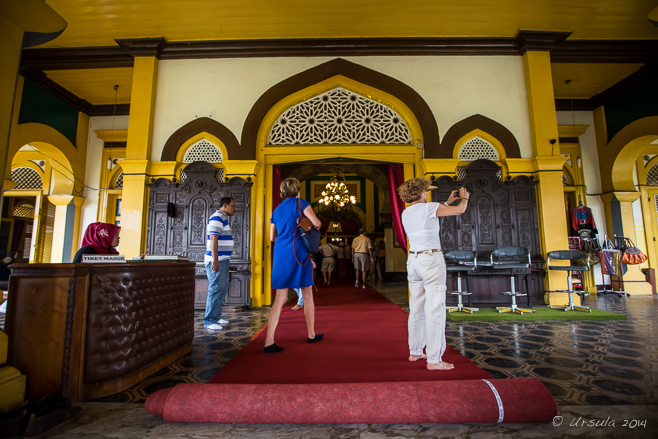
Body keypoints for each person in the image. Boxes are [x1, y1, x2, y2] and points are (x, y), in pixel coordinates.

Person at [397, 178, 469, 371]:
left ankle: (415, 351)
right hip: (431, 261)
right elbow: (460, 210)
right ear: (421, 193)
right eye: (425, 191)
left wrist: (447, 202)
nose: (427, 193)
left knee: (417, 307)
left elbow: (433, 213)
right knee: (435, 309)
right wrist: (464, 199)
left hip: (413, 262)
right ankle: (434, 359)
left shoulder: (406, 212)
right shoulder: (429, 208)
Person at [265, 177, 324, 352]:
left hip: (281, 253)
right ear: (297, 190)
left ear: (283, 192)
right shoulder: (301, 203)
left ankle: (269, 341)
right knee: (307, 294)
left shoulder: (277, 209)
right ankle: (311, 334)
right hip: (298, 252)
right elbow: (317, 224)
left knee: (280, 297)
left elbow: (271, 237)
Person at [203, 197, 236, 331]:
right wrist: (215, 259)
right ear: (224, 205)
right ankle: (209, 320)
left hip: (223, 259)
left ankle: (216, 317)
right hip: (216, 260)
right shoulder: (217, 217)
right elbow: (213, 238)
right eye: (232, 206)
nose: (234, 209)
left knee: (221, 289)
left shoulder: (222, 218)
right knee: (215, 288)